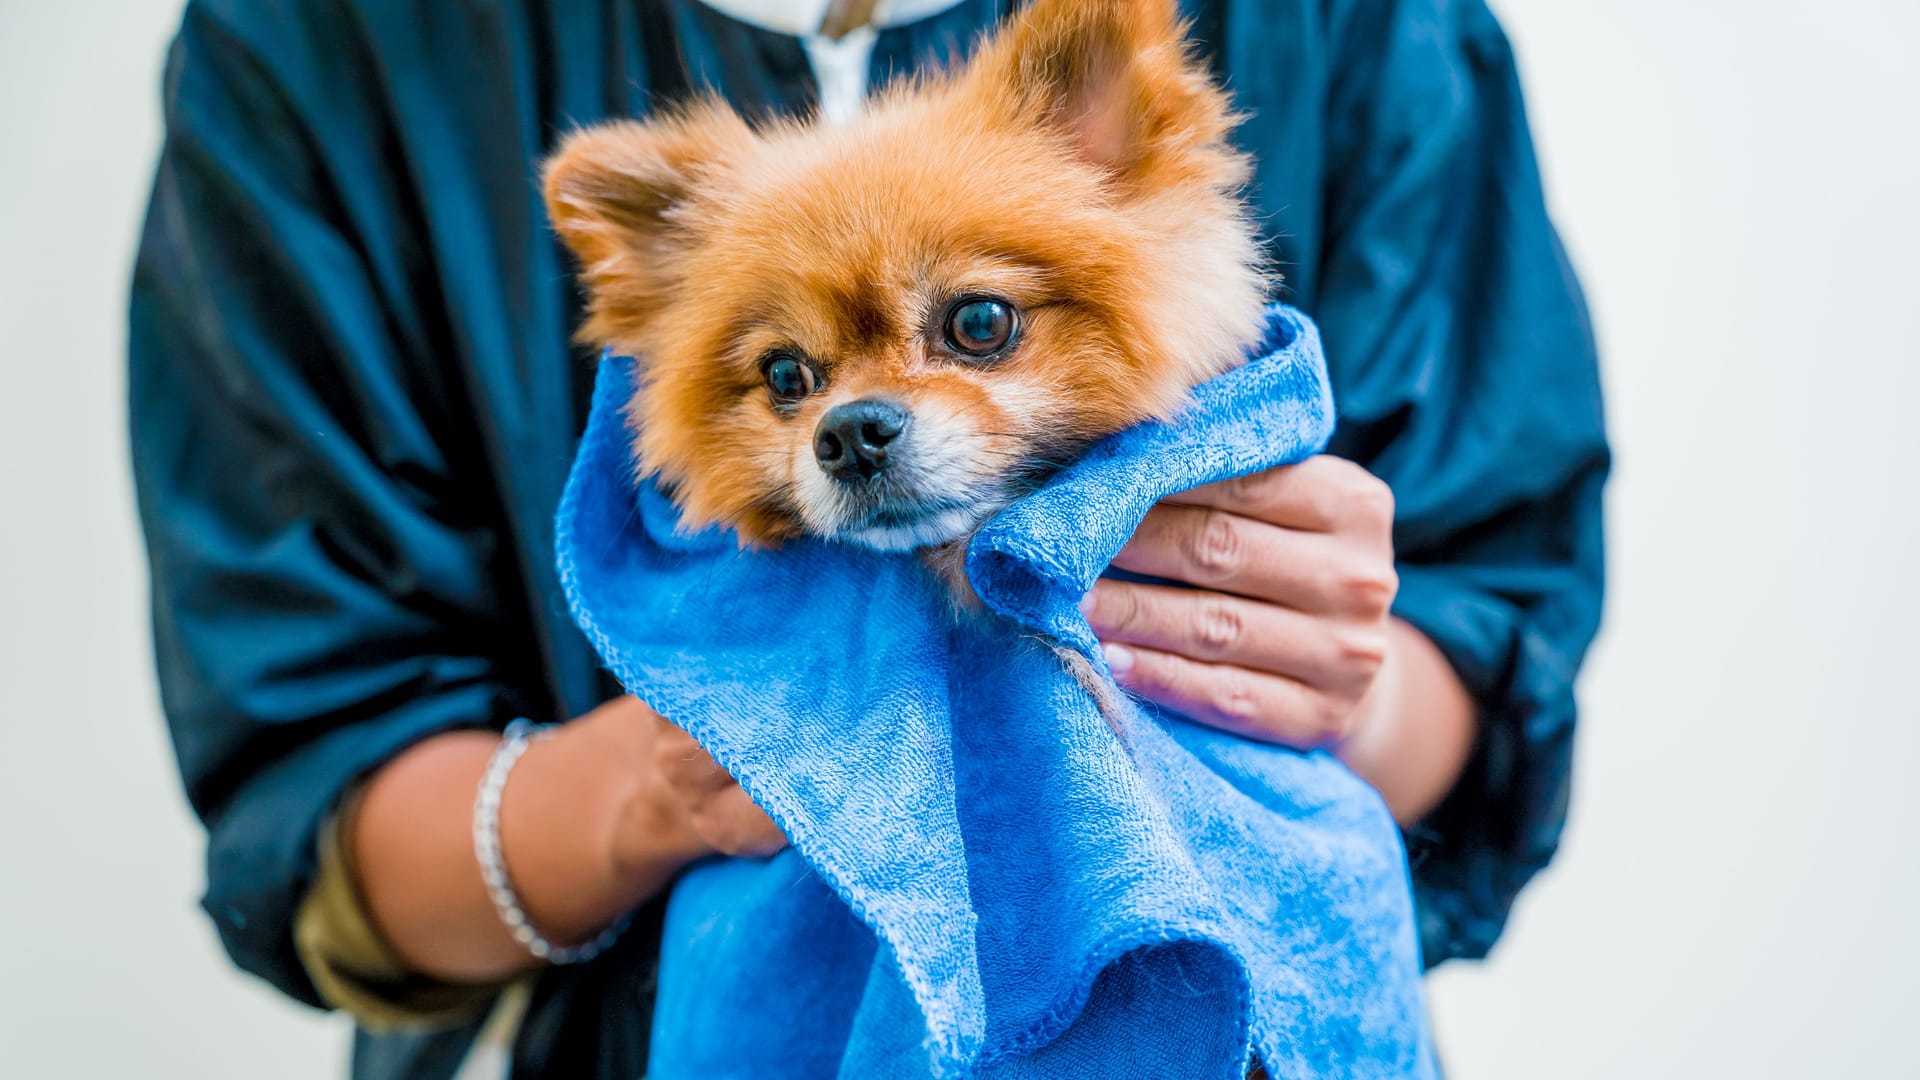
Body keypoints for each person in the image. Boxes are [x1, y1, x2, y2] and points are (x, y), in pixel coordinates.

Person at [129, 0, 1607, 1076]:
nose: (859, 420)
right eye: (792, 380)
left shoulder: (1359, 29)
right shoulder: (322, 45)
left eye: (972, 328)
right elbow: (309, 772)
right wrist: (664, 785)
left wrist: (1333, 682)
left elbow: (1495, 622)